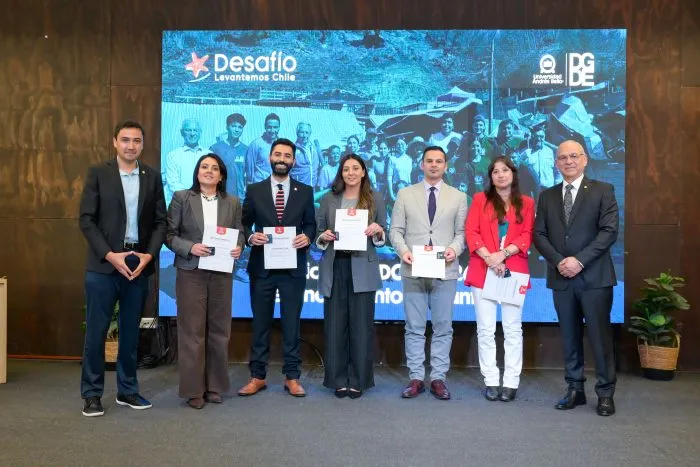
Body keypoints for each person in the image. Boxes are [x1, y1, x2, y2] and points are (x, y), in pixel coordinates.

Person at [78, 120, 167, 417]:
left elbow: (160, 222)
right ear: (115, 142)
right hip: (103, 264)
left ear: (143, 144)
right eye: (125, 140)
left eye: (137, 141)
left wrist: (148, 256)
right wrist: (110, 255)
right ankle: (92, 394)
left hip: (137, 263)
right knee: (96, 333)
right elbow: (86, 220)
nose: (131, 145)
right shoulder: (98, 173)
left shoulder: (152, 177)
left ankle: (127, 390)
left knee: (130, 333)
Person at [533, 140, 619, 416]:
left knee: (600, 338)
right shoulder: (546, 196)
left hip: (595, 277)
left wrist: (579, 260)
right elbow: (539, 235)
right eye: (563, 157)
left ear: (585, 159)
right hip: (561, 277)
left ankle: (605, 393)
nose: (568, 161)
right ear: (556, 163)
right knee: (569, 337)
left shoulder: (603, 190)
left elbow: (609, 232)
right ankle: (575, 389)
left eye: (574, 156)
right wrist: (560, 261)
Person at [238, 138, 316, 397]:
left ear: (293, 160)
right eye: (278, 154)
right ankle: (257, 376)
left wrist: (307, 237)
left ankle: (292, 377)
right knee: (260, 323)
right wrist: (251, 237)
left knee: (291, 324)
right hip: (262, 267)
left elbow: (310, 224)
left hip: (293, 268)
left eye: (287, 156)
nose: (282, 159)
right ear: (270, 157)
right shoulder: (255, 189)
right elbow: (243, 223)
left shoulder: (305, 191)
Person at [166, 153, 245, 409]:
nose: (209, 171)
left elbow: (240, 233)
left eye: (214, 168)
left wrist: (239, 247)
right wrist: (190, 247)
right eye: (204, 167)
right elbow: (169, 235)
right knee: (192, 331)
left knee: (220, 331)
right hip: (191, 271)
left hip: (221, 272)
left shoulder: (233, 202)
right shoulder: (181, 198)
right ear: (197, 172)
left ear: (221, 176)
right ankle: (194, 390)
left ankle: (215, 387)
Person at [389, 145, 467, 400]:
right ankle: (415, 378)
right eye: (429, 161)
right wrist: (403, 252)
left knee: (443, 327)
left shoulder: (458, 196)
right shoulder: (405, 194)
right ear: (421, 165)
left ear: (446, 165)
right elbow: (395, 230)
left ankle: (438, 378)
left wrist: (455, 249)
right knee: (414, 326)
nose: (434, 165)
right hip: (413, 268)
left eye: (439, 161)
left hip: (445, 269)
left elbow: (462, 233)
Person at [465, 156, 535, 402]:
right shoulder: (479, 200)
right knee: (485, 329)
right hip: (482, 269)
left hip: (513, 270)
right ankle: (491, 380)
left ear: (513, 174)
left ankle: (511, 381)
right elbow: (471, 231)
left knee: (512, 328)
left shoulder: (527, 203)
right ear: (491, 177)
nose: (501, 175)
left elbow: (527, 235)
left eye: (505, 170)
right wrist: (490, 258)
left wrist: (502, 255)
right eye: (496, 171)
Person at [315, 154, 386, 399]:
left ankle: (358, 380)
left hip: (362, 266)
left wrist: (378, 231)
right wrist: (323, 237)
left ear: (363, 172)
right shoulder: (328, 198)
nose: (351, 173)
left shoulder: (375, 198)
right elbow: (318, 233)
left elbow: (383, 233)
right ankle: (337, 379)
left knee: (361, 327)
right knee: (335, 326)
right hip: (335, 265)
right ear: (341, 173)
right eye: (346, 169)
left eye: (356, 168)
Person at [163, 119, 207, 204]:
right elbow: (173, 183)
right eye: (188, 130)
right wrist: (191, 198)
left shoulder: (208, 154)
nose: (192, 134)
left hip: (204, 203)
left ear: (200, 132)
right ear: (182, 132)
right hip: (180, 204)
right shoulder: (173, 155)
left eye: (195, 130)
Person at [210, 113, 247, 200]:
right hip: (220, 197)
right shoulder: (215, 149)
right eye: (233, 126)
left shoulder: (246, 150)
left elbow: (248, 176)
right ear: (227, 127)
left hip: (239, 198)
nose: (236, 130)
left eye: (240, 127)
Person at [245, 113, 281, 183]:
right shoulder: (256, 144)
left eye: (275, 127)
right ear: (265, 127)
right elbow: (249, 169)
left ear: (279, 127)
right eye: (269, 127)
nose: (272, 130)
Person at [290, 121, 321, 187]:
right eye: (302, 132)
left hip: (312, 187)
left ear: (310, 134)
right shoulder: (292, 149)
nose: (304, 135)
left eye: (307, 132)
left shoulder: (314, 148)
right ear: (297, 133)